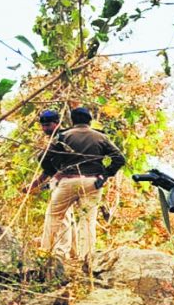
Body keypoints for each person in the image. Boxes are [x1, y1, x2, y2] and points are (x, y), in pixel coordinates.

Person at [31, 107, 125, 265]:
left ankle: (45, 254)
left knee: (54, 216)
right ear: (90, 120)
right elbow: (119, 158)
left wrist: (55, 172)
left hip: (68, 181)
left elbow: (43, 157)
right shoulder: (101, 137)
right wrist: (105, 175)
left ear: (72, 120)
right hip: (93, 182)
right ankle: (87, 260)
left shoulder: (64, 136)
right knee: (87, 221)